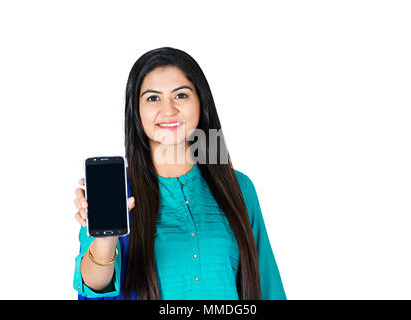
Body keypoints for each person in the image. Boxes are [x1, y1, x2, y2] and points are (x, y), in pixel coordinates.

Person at [72, 47, 287, 300]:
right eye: (153, 98)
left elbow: (268, 287)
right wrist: (107, 240)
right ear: (136, 111)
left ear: (201, 102)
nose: (168, 110)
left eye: (181, 95)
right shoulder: (119, 190)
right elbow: (95, 286)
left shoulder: (238, 187)